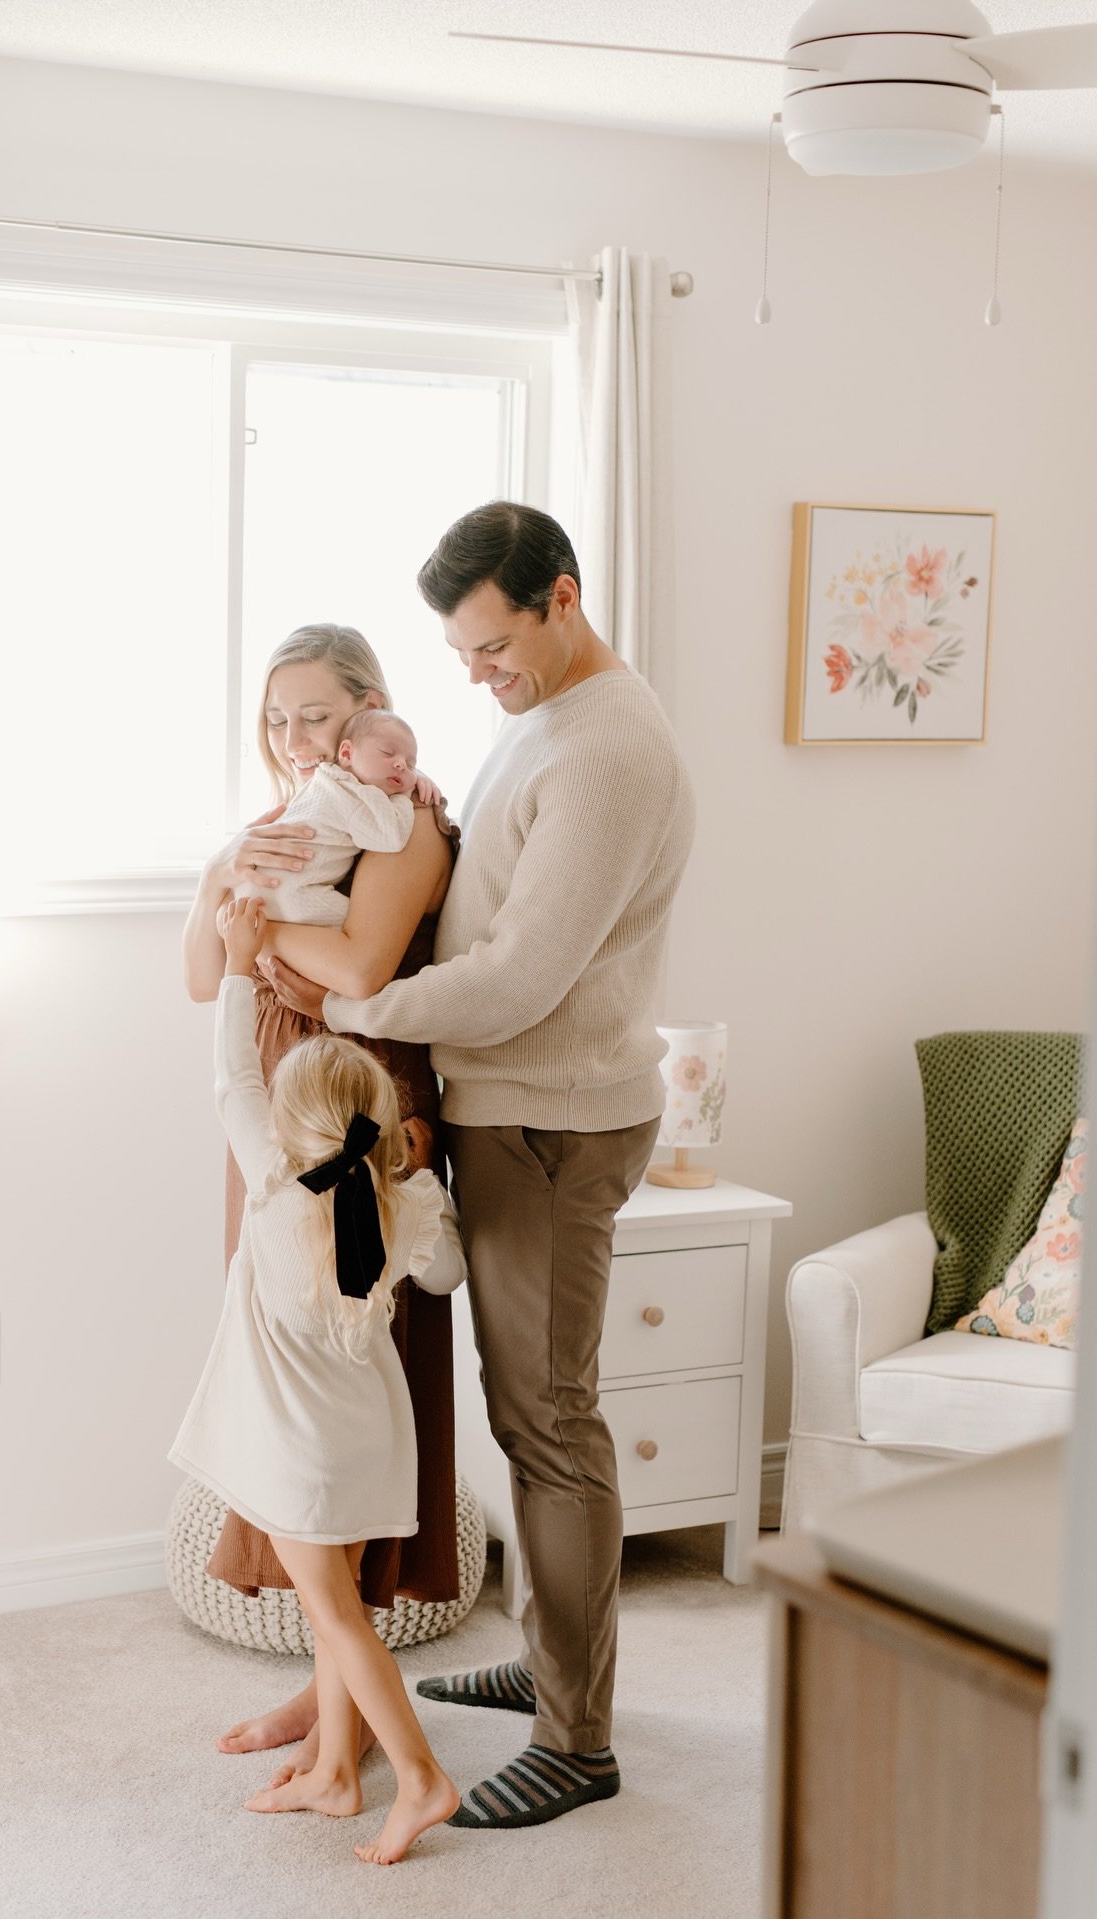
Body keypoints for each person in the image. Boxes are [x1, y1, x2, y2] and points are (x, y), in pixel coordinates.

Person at [262, 502, 697, 1831]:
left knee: (551, 1422)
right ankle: (557, 1663)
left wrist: (349, 1004)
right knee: (528, 1414)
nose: (476, 673)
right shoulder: (545, 717)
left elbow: (517, 976)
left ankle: (579, 1738)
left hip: (556, 1120)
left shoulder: (611, 747)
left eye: (494, 644)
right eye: (459, 651)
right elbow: (479, 896)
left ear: (562, 598)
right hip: (513, 1107)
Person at [180, 623, 460, 1784]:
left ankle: (343, 1697)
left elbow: (358, 969)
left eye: (317, 715)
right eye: (277, 716)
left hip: (350, 1092)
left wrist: (254, 934)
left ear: (368, 714)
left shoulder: (407, 823)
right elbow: (204, 975)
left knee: (353, 1388)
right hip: (269, 1090)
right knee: (280, 1381)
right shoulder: (286, 826)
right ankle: (331, 1690)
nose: (294, 737)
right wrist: (219, 882)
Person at [171, 896, 466, 1863]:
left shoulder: (271, 1184)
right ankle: (338, 1771)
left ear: (291, 1123)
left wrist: (245, 965)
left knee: (337, 1619)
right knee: (337, 1609)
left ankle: (420, 1778)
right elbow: (447, 1275)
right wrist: (421, 1179)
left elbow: (229, 1080)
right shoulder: (402, 1198)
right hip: (372, 1434)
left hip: (301, 1451)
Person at [233, 709, 428, 927]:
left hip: (253, 887)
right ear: (346, 753)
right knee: (365, 924)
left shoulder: (324, 779)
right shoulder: (356, 795)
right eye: (387, 753)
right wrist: (404, 795)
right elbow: (392, 837)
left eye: (412, 765)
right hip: (292, 893)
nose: (401, 764)